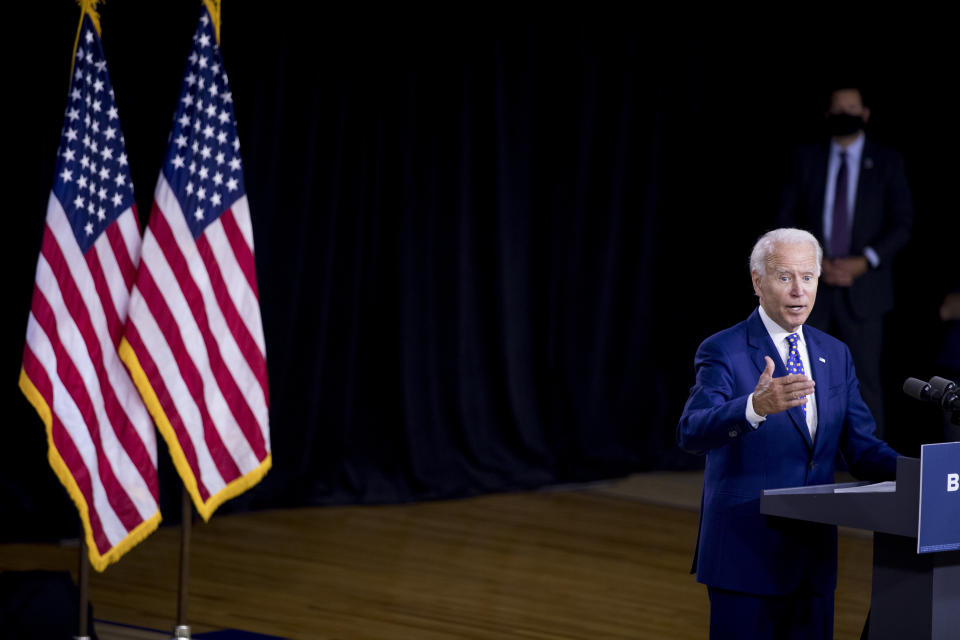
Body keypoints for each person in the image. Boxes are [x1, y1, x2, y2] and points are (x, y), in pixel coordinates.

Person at [677, 228, 900, 640]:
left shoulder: (834, 353)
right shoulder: (723, 349)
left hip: (812, 562)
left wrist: (918, 474)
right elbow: (691, 431)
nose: (799, 291)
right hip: (745, 555)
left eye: (808, 277)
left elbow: (861, 446)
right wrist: (753, 407)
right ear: (757, 282)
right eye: (784, 277)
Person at [777, 86, 913, 438]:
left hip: (864, 290)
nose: (845, 113)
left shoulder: (887, 161)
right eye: (839, 108)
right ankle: (798, 457)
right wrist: (812, 263)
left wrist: (864, 261)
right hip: (810, 285)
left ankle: (872, 467)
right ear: (827, 115)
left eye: (852, 108)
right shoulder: (806, 158)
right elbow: (786, 217)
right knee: (799, 373)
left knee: (865, 379)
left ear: (865, 113)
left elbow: (902, 224)